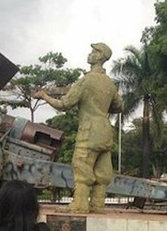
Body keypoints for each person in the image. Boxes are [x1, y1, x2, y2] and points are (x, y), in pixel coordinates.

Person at [34, 42, 123, 213]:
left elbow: (64, 104)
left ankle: (80, 204)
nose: (90, 53)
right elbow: (119, 106)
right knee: (102, 171)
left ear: (100, 56)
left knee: (81, 165)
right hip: (105, 130)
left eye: (94, 51)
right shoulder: (109, 83)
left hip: (89, 131)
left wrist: (44, 96)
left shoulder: (86, 81)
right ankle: (97, 205)